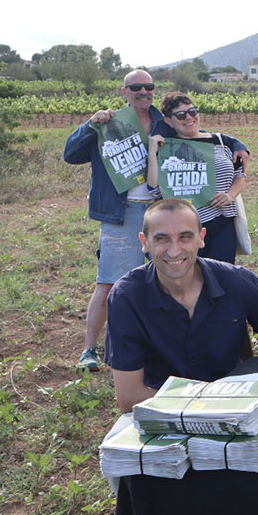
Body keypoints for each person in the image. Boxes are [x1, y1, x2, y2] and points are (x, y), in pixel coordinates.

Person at [99, 198, 258, 515]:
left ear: (202, 238)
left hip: (235, 412)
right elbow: (129, 396)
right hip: (161, 414)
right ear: (144, 243)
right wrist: (200, 408)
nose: (174, 249)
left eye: (185, 236)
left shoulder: (237, 281)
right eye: (161, 239)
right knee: (134, 466)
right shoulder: (127, 296)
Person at [63, 69, 164, 371]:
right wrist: (90, 125)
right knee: (109, 283)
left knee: (159, 282)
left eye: (148, 87)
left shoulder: (164, 121)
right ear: (124, 91)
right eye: (136, 87)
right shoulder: (108, 123)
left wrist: (237, 145)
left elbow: (196, 135)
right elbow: (71, 154)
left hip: (158, 210)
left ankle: (148, 344)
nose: (143, 92)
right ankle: (90, 350)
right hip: (122, 211)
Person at [146, 93, 247, 264]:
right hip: (184, 229)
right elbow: (154, 188)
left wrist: (230, 195)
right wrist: (151, 152)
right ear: (168, 121)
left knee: (221, 275)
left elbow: (240, 175)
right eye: (181, 115)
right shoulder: (166, 149)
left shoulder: (223, 142)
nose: (189, 118)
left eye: (192, 111)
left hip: (222, 223)